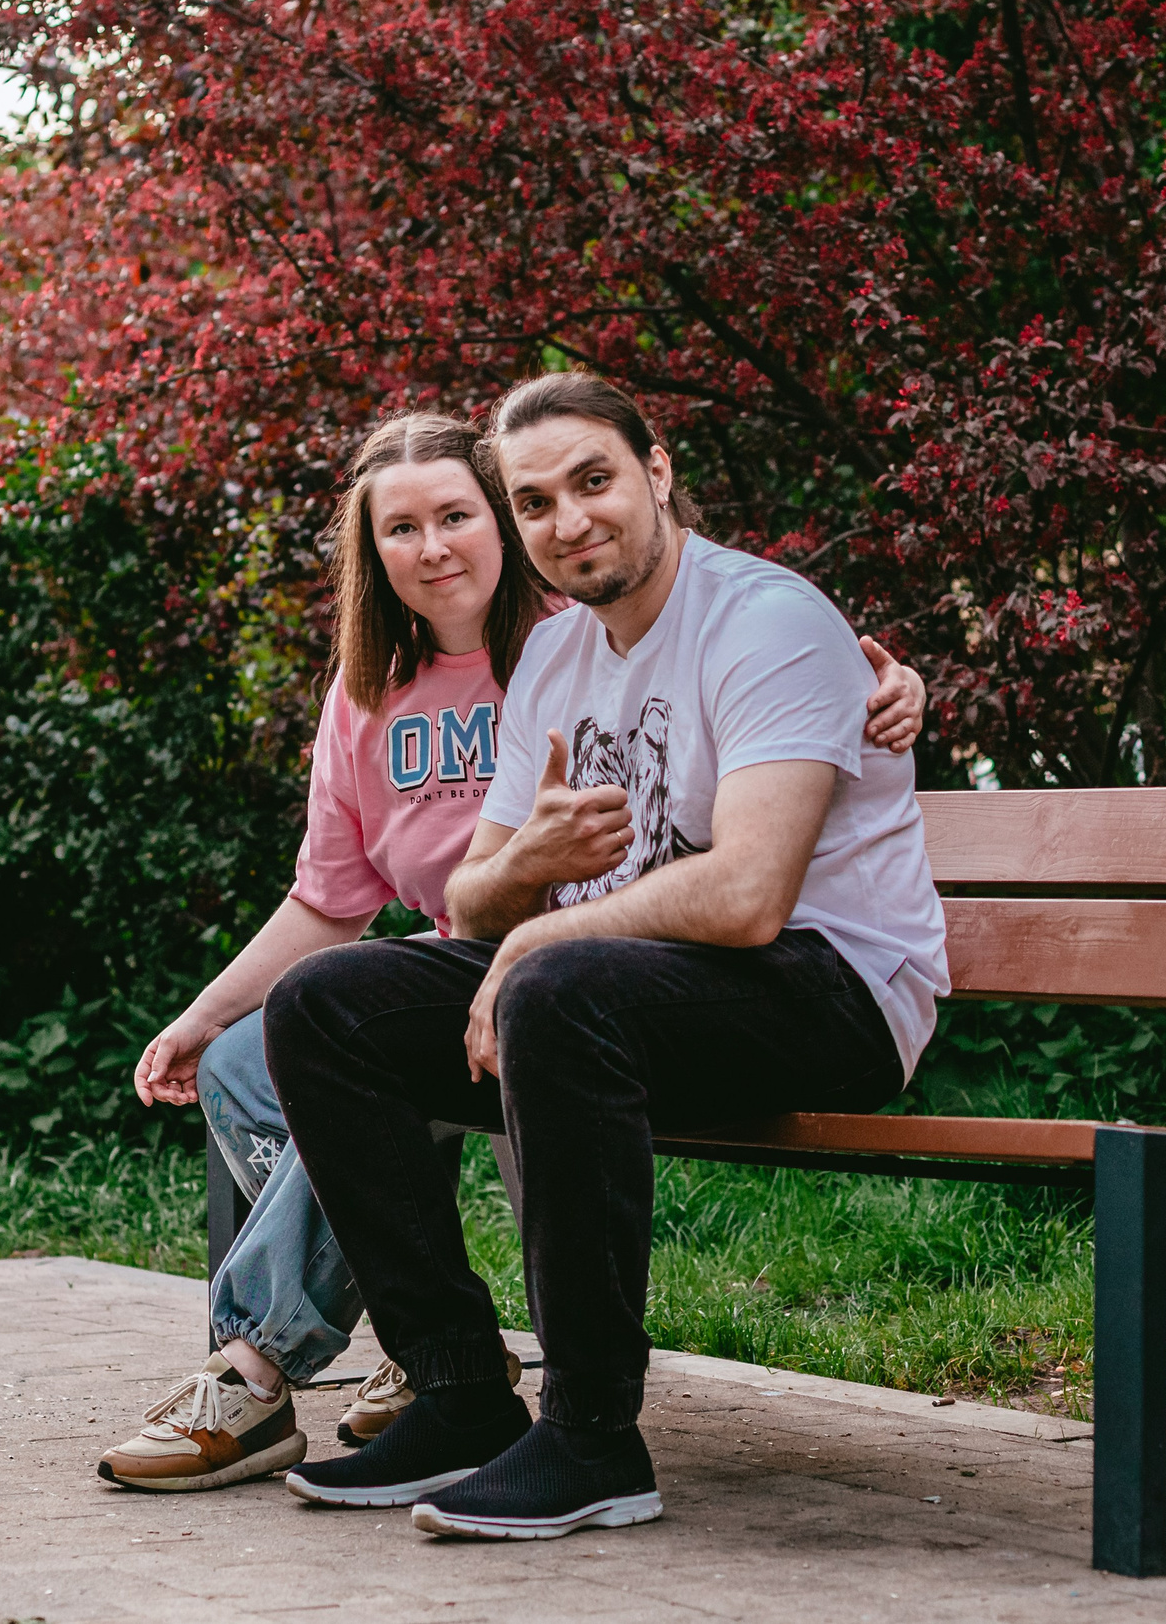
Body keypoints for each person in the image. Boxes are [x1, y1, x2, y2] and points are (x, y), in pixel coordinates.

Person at [92, 408, 928, 1492]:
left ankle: (581, 1434)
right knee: (320, 1006)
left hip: (807, 984)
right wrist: (527, 870)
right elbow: (454, 894)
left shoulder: (743, 616)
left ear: (657, 472)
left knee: (555, 989)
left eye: (589, 483)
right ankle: (456, 1389)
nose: (562, 520)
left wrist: (532, 934)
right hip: (608, 979)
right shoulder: (548, 650)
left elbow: (749, 894)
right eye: (537, 500)